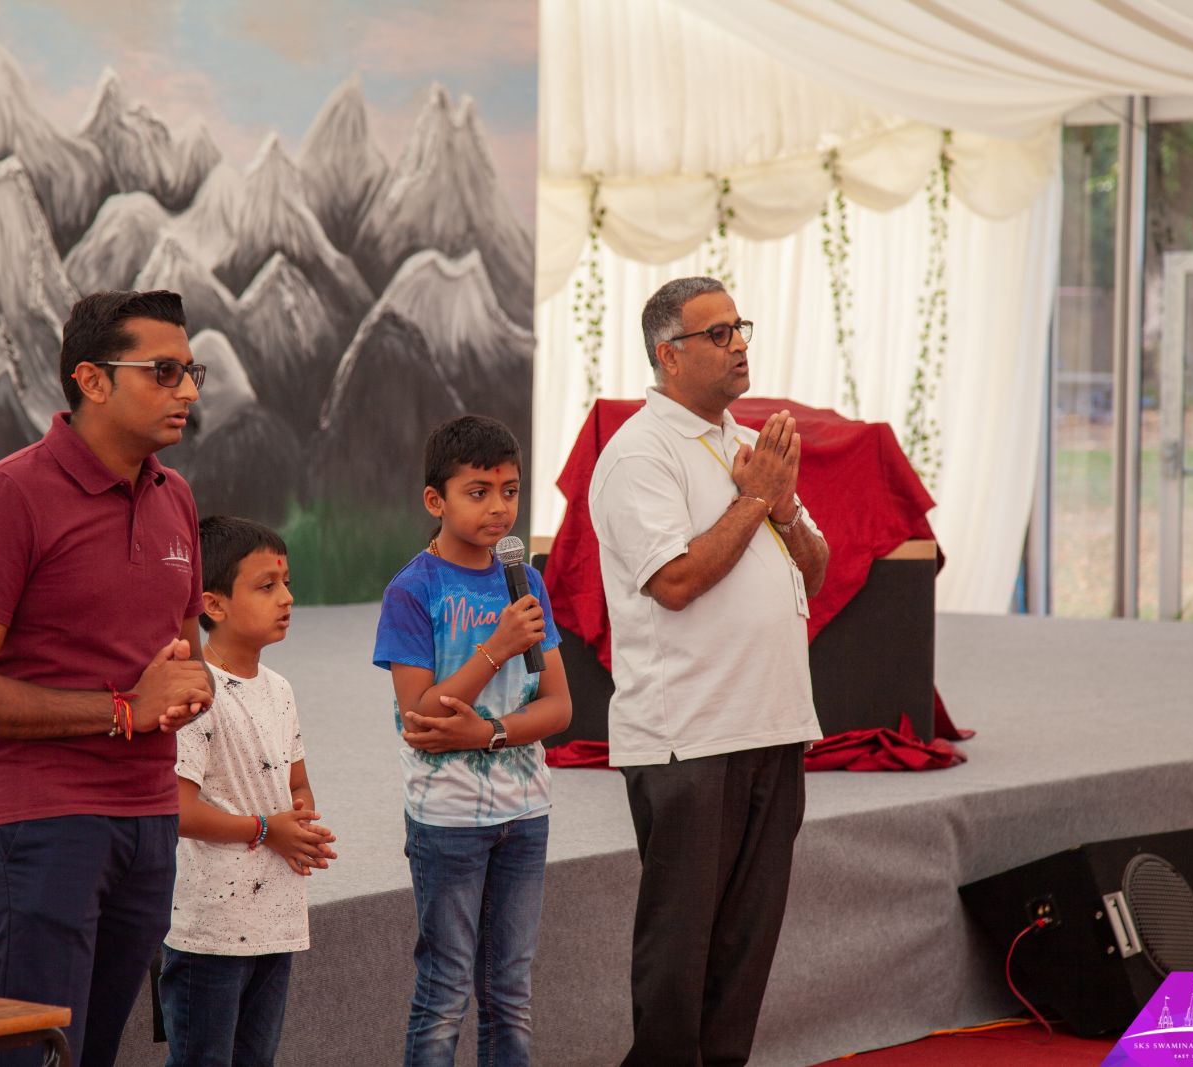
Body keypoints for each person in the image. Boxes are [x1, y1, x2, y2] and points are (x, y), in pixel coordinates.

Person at [0, 289, 214, 1067]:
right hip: (41, 821)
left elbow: (187, 659)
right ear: (91, 380)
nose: (187, 391)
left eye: (192, 371)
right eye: (163, 371)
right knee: (34, 1057)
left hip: (151, 821)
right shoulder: (10, 493)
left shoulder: (175, 497)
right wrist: (123, 709)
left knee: (88, 1058)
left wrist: (192, 689)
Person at [587, 276, 830, 1067]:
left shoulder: (743, 446)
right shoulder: (638, 456)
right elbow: (677, 582)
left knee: (745, 950)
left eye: (739, 328)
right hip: (687, 739)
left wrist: (784, 507)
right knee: (678, 959)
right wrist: (757, 502)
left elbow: (817, 573)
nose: (739, 345)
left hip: (772, 724)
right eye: (718, 334)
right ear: (669, 354)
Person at [372, 414, 573, 1067]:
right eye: (479, 491)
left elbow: (560, 705)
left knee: (510, 993)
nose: (499, 507)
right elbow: (422, 719)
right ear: (436, 500)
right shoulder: (414, 589)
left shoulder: (526, 581)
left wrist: (488, 731)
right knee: (445, 993)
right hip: (449, 818)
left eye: (510, 490)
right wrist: (496, 647)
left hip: (526, 811)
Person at [159, 516, 337, 1067]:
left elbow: (296, 782)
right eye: (266, 586)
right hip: (210, 931)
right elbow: (178, 809)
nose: (286, 597)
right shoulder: (197, 690)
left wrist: (301, 819)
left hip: (275, 922)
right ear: (213, 604)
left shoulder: (279, 690)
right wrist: (266, 829)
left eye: (285, 582)